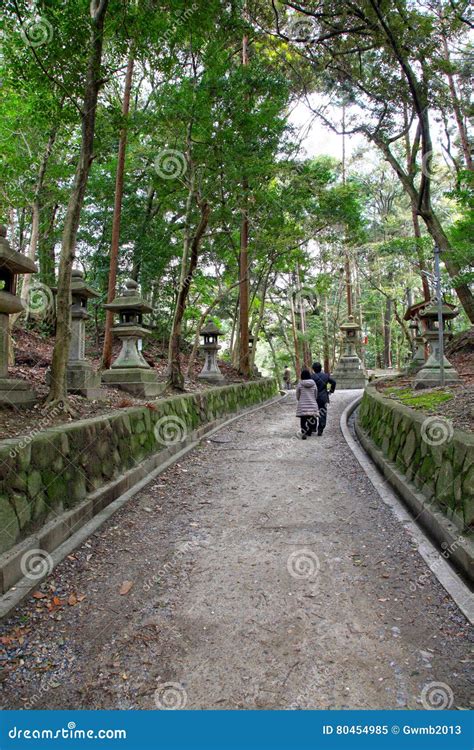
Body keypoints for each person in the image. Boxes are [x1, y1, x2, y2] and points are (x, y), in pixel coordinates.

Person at [311, 362, 336, 436]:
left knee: (313, 412)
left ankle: (313, 427)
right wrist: (331, 390)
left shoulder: (311, 377)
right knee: (323, 413)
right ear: (320, 368)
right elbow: (333, 382)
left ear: (313, 369)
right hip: (323, 397)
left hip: (313, 397)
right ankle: (320, 429)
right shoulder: (326, 376)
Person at [296, 368, 319, 439]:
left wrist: (300, 400)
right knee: (311, 418)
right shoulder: (314, 383)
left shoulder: (300, 383)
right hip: (312, 404)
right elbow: (316, 394)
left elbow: (297, 394)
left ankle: (304, 432)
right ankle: (309, 431)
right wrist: (313, 399)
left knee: (303, 419)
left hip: (303, 405)